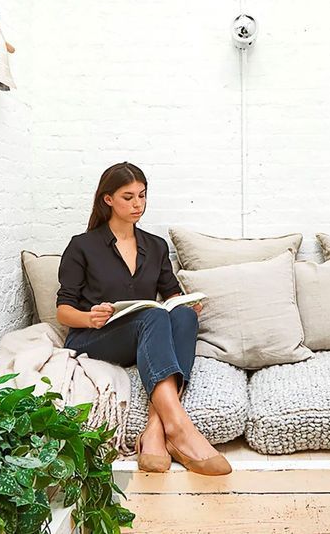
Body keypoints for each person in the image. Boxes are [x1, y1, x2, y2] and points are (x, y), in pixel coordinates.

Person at [56, 161, 232, 476]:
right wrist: (90, 317)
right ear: (107, 199)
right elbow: (63, 310)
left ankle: (154, 428)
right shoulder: (82, 246)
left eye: (142, 195)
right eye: (128, 197)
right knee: (153, 316)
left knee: (182, 317)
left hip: (141, 334)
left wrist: (186, 303)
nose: (138, 204)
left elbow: (170, 291)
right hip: (94, 337)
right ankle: (178, 426)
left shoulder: (155, 245)